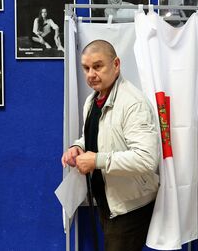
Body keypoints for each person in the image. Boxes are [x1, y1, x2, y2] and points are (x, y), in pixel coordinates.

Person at [61, 40, 160, 251]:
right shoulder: (93, 100)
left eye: (98, 66)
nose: (90, 74)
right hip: (109, 201)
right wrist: (78, 147)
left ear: (116, 64)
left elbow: (147, 159)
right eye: (86, 68)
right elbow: (96, 137)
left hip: (129, 208)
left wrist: (96, 160)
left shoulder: (134, 104)